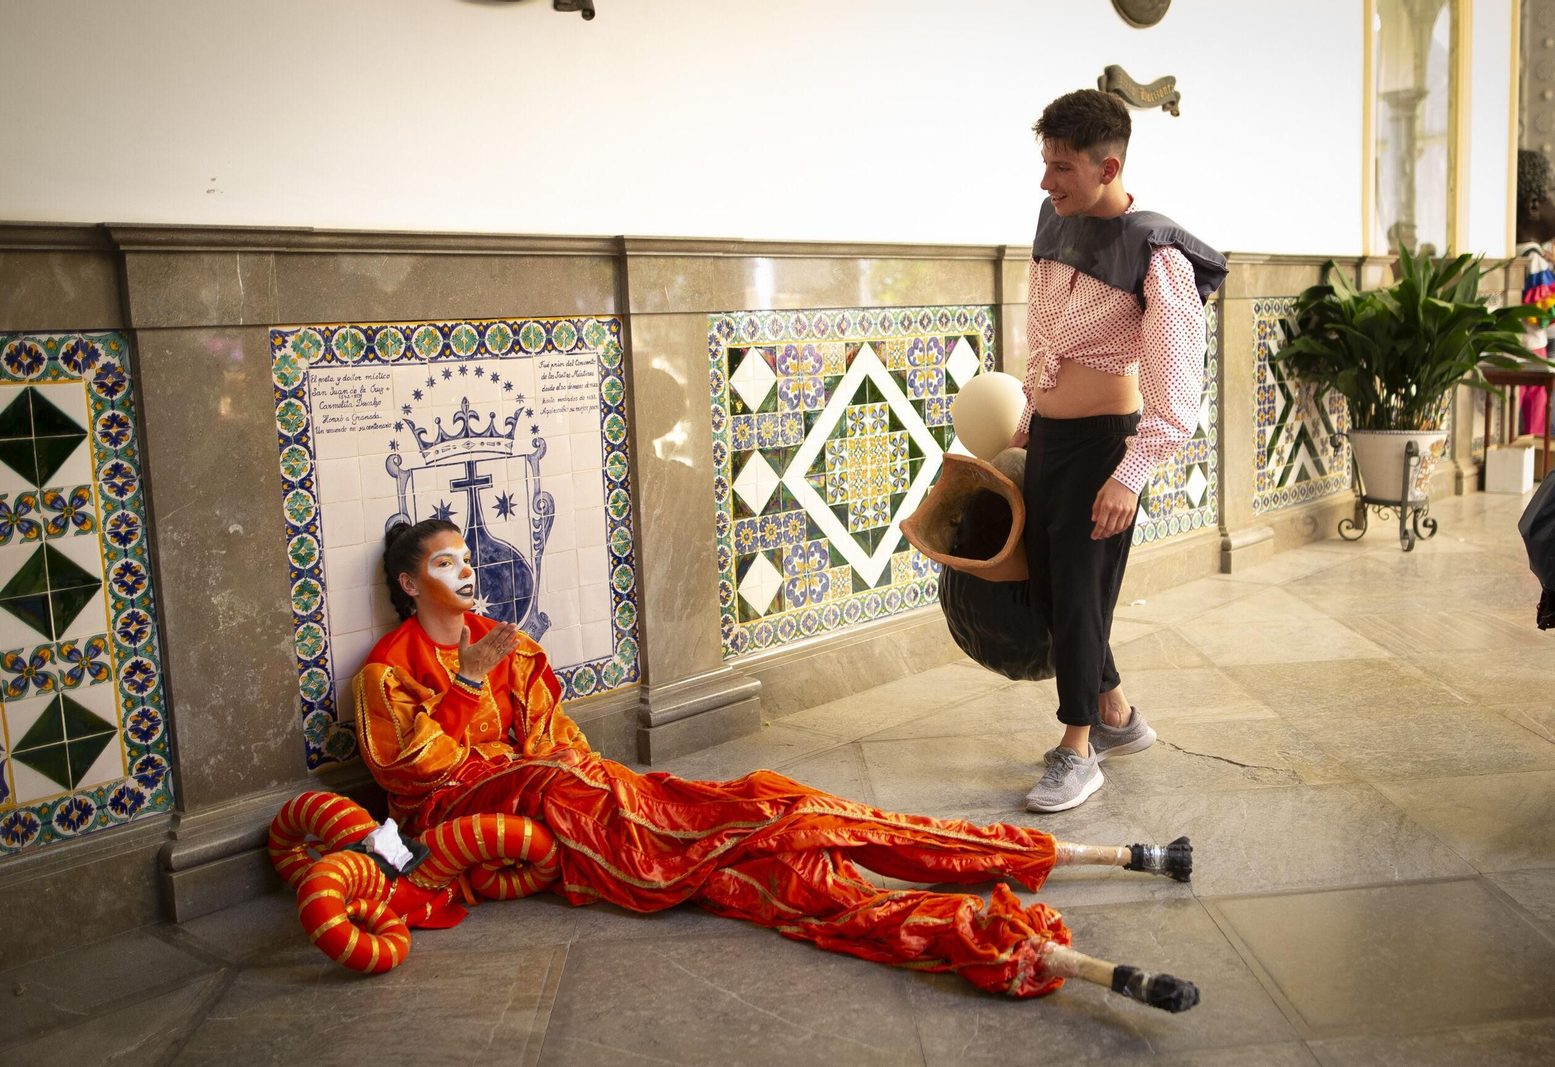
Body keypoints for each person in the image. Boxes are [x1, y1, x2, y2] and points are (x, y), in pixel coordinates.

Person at [353, 518, 1185, 999]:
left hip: (588, 798)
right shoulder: (387, 673)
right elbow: (421, 777)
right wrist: (466, 682)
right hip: (518, 819)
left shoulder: (511, 647)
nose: (465, 571)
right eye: (443, 562)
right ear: (406, 582)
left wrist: (621, 790)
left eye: (467, 557)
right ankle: (1005, 942)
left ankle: (1053, 853)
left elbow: (557, 742)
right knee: (783, 876)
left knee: (778, 803)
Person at [1006, 90, 1227, 813]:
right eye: (1044, 164)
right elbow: (1049, 333)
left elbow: (1176, 388)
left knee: (1076, 594)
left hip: (1106, 446)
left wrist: (1130, 474)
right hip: (1051, 438)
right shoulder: (1053, 220)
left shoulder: (1158, 253)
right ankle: (1118, 716)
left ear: (1107, 166)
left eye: (1061, 167)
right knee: (1050, 589)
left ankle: (1078, 748)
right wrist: (1033, 412)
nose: (1047, 182)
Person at [1516, 149, 1555, 437]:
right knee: (1536, 411)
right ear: (1534, 205)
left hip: (1515, 348)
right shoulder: (1536, 261)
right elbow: (1542, 316)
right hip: (1534, 348)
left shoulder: (1517, 257)